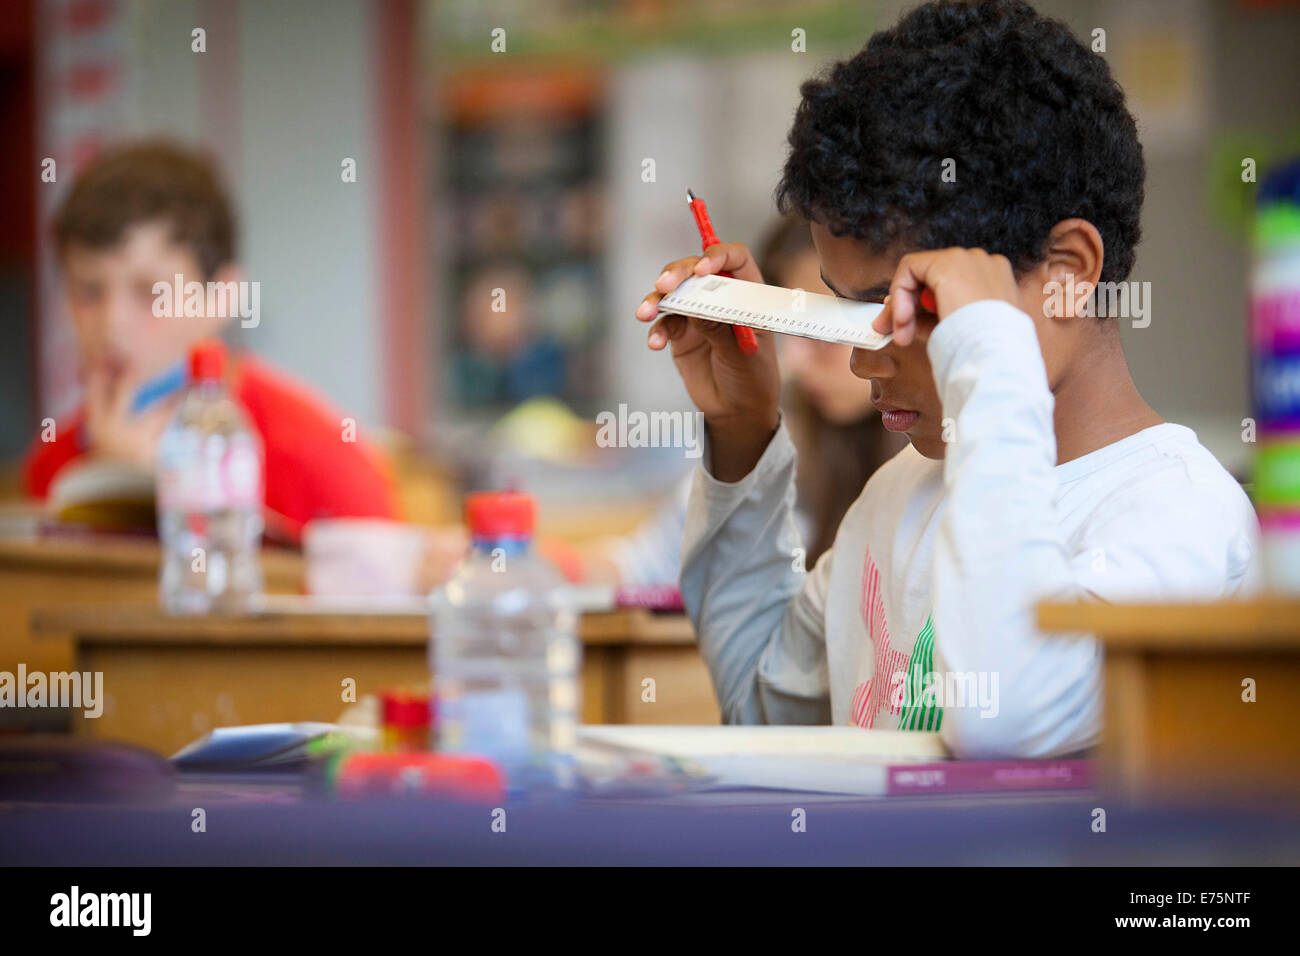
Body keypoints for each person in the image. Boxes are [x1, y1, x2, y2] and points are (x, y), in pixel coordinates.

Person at [634, 0, 1258, 756]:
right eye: (846, 310)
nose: (864, 360)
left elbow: (1008, 718)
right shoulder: (899, 498)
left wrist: (987, 354)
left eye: (902, 306)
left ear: (1066, 273)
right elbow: (765, 714)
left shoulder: (1178, 517)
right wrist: (741, 425)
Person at [23, 139, 398, 542]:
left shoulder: (315, 459)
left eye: (152, 293)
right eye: (88, 291)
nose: (112, 324)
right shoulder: (53, 466)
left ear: (222, 295)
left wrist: (141, 494)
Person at [585, 214, 902, 588]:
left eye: (821, 331)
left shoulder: (937, 475)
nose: (793, 362)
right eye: (784, 333)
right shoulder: (784, 445)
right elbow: (646, 566)